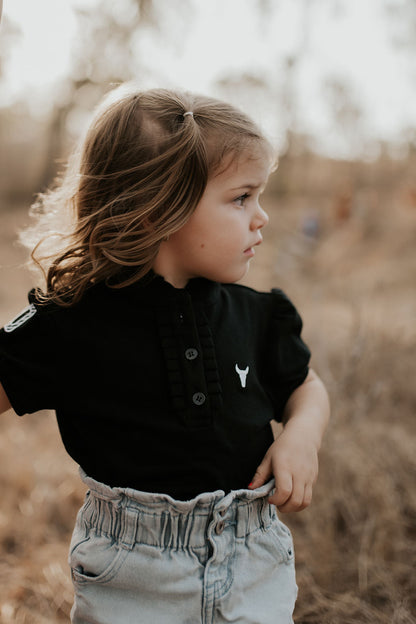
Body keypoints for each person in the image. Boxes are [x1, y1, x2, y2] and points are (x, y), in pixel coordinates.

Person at [0, 85, 330, 624]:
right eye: (241, 197)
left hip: (254, 561)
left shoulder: (256, 316)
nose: (262, 216)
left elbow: (305, 386)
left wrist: (301, 436)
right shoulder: (72, 323)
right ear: (159, 208)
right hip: (131, 575)